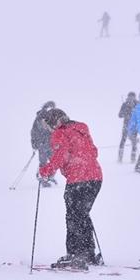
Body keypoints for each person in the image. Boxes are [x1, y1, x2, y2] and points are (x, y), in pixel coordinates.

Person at [38, 108, 104, 270]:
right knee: (82, 214)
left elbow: (61, 155)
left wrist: (45, 171)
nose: (49, 130)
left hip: (78, 179)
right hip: (95, 178)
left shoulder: (60, 133)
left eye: (48, 126)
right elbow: (94, 151)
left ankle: (75, 255)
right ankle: (87, 253)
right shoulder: (82, 128)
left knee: (73, 216)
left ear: (53, 123)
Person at [30, 101, 57, 187]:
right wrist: (34, 144)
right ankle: (43, 178)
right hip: (43, 144)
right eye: (51, 106)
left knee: (53, 161)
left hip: (50, 144)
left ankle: (49, 177)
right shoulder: (41, 116)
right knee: (44, 162)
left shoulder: (51, 115)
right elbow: (34, 132)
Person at [117, 92, 139, 163]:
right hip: (126, 126)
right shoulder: (125, 104)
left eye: (133, 97)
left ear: (135, 97)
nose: (131, 98)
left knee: (134, 142)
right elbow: (120, 115)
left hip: (134, 127)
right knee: (123, 141)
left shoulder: (137, 104)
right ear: (128, 97)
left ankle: (133, 159)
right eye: (130, 97)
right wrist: (125, 113)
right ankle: (120, 158)